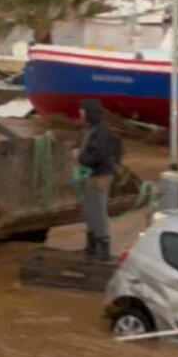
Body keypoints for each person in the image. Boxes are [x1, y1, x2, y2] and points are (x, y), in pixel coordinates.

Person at [77, 97, 122, 261]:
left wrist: (81, 158)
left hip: (100, 175)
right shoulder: (93, 129)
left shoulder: (100, 131)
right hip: (93, 175)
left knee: (97, 210)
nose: (80, 113)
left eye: (82, 110)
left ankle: (102, 247)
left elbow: (100, 155)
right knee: (89, 209)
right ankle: (92, 244)